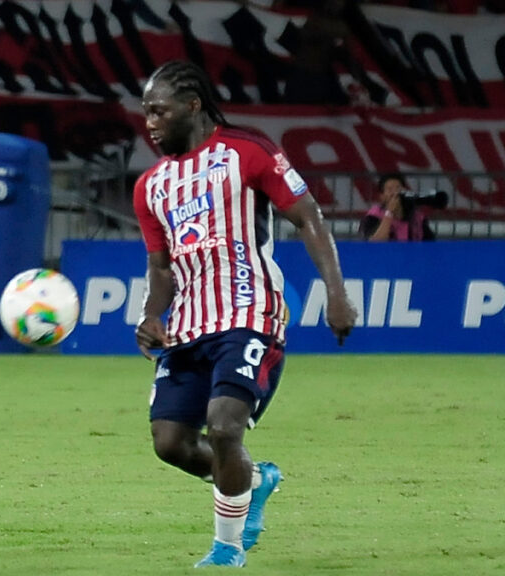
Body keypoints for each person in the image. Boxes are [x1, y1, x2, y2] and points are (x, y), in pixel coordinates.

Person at [132, 60, 357, 567]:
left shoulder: (248, 151)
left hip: (248, 310)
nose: (149, 123)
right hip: (188, 325)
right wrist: (152, 314)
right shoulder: (150, 186)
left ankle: (226, 550)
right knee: (170, 443)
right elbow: (160, 264)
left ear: (192, 105)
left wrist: (336, 293)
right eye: (145, 113)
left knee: (225, 426)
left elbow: (308, 217)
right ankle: (254, 481)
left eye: (158, 112)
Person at [359, 173, 436, 242]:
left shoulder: (417, 216)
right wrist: (389, 212)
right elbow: (374, 243)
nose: (395, 193)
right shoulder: (373, 216)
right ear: (382, 196)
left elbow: (430, 244)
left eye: (398, 188)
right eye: (390, 189)